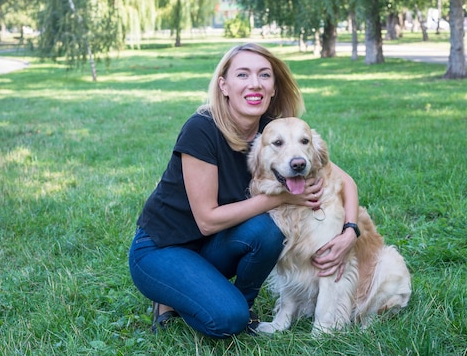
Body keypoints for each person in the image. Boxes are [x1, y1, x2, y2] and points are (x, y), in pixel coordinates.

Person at [128, 43, 360, 338]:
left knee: (267, 230)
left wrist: (350, 231)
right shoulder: (201, 130)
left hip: (212, 246)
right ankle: (169, 296)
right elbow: (207, 220)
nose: (255, 84)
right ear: (224, 85)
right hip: (163, 247)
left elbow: (346, 181)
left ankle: (242, 302)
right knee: (227, 321)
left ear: (273, 88)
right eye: (243, 74)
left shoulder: (274, 132)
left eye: (264, 75)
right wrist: (283, 196)